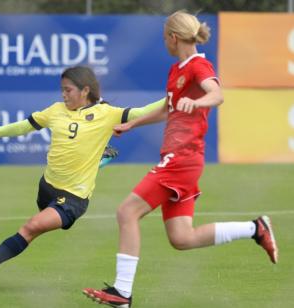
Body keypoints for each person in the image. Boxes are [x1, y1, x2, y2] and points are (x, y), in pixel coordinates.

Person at [83, 11, 278, 307]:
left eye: (165, 37)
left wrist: (196, 101)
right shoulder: (176, 71)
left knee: (127, 212)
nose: (165, 42)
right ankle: (256, 228)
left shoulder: (199, 66)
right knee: (181, 238)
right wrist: (132, 123)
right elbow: (167, 109)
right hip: (182, 160)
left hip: (182, 159)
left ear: (173, 38)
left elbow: (217, 94)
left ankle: (122, 292)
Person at [0, 66, 165, 283]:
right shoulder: (55, 110)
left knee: (31, 227)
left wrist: (176, 95)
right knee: (37, 221)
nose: (63, 94)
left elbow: (143, 111)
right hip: (47, 187)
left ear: (85, 90)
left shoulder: (107, 114)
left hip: (73, 198)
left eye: (68, 90)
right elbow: (23, 127)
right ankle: (97, 161)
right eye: (62, 89)